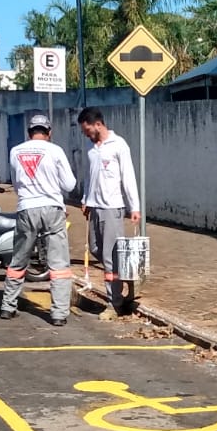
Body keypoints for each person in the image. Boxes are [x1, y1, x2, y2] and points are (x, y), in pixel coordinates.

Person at [1, 112, 77, 326]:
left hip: (26, 207)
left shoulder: (16, 151)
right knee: (58, 264)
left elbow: (16, 184)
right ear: (49, 132)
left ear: (29, 132)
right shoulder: (55, 150)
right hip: (52, 209)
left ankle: (7, 307)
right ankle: (59, 314)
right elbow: (70, 184)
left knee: (19, 259)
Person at [76, 107, 142, 315]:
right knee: (95, 248)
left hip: (112, 207)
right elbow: (89, 176)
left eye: (87, 130)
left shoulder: (118, 145)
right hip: (94, 207)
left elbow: (128, 176)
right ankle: (128, 278)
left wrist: (134, 206)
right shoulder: (91, 148)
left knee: (110, 256)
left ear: (98, 124)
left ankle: (114, 303)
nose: (86, 134)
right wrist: (86, 199)